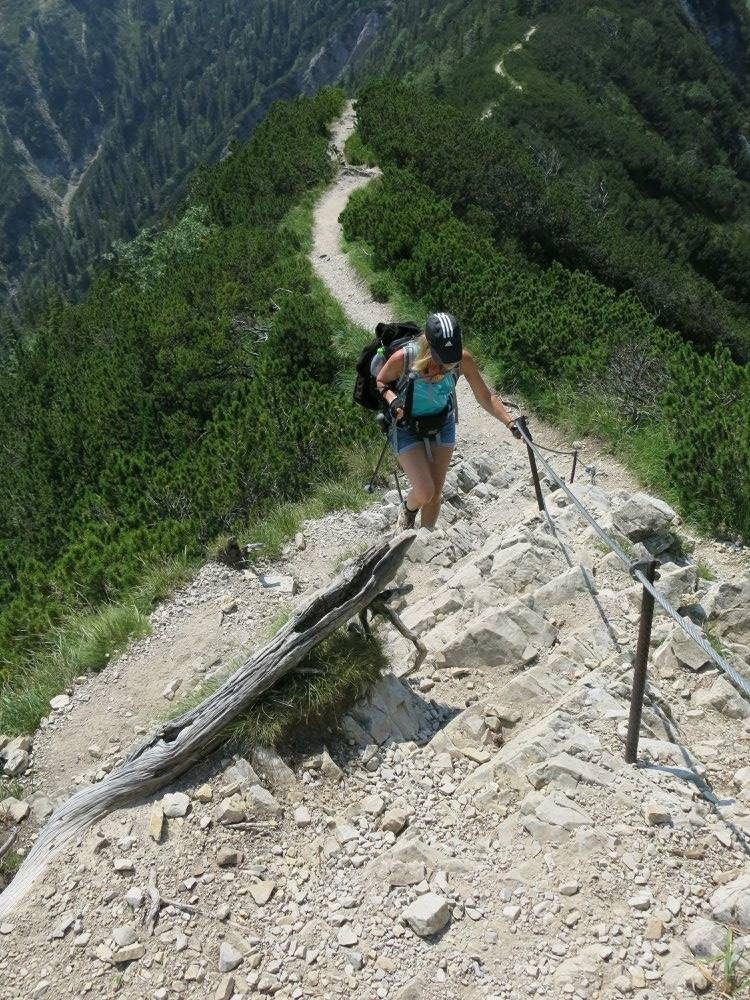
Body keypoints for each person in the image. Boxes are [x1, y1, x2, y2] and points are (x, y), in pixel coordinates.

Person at [375, 312, 521, 530]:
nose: (446, 366)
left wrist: (510, 422)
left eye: (450, 358)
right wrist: (393, 399)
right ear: (429, 347)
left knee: (435, 494)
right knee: (425, 491)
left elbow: (485, 396)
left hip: (441, 423)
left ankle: (425, 541)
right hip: (405, 425)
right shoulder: (404, 358)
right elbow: (381, 381)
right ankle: (408, 508)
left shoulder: (463, 360)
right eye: (441, 358)